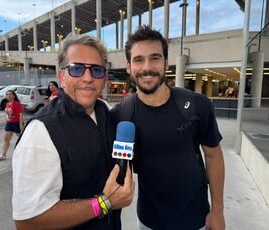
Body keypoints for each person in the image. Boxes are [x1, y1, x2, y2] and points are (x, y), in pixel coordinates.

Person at [12, 34, 135, 229]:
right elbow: (27, 222)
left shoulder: (104, 110)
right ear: (62, 76)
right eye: (77, 69)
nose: (87, 78)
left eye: (96, 70)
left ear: (104, 78)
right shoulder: (40, 133)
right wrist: (105, 203)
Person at [111, 26, 225, 230]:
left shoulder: (198, 105)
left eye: (154, 58)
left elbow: (213, 156)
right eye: (138, 60)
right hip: (148, 221)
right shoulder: (120, 115)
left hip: (196, 219)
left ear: (165, 63)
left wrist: (217, 211)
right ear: (128, 67)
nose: (147, 67)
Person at [0, 90, 24, 161]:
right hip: (9, 123)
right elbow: (7, 114)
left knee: (22, 139)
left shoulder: (17, 103)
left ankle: (27, 152)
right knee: (6, 139)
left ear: (14, 96)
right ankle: (3, 154)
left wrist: (21, 124)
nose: (8, 95)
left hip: (16, 123)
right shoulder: (7, 104)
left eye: (10, 94)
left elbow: (21, 114)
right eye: (7, 94)